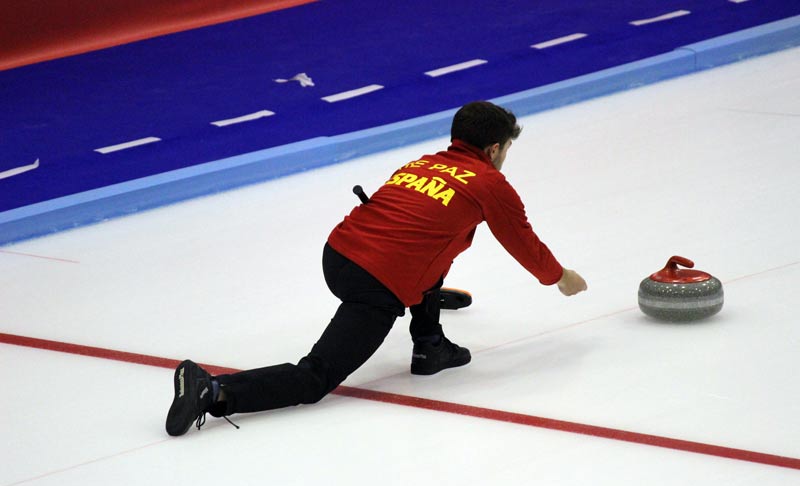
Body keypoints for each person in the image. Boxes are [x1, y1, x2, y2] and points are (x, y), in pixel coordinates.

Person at [166, 101, 587, 436]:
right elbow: (522, 242)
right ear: (494, 148)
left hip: (339, 253)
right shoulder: (489, 183)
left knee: (433, 243)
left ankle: (429, 345)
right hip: (377, 282)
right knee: (315, 378)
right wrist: (559, 277)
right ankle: (215, 391)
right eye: (508, 148)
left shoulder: (421, 163)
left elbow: (414, 231)